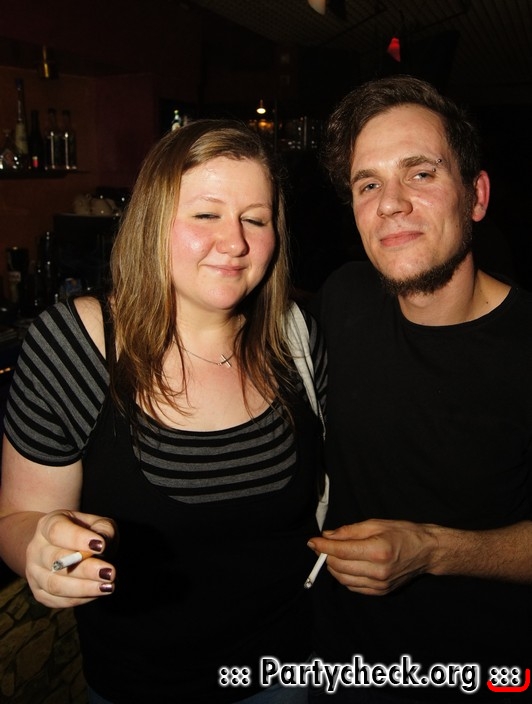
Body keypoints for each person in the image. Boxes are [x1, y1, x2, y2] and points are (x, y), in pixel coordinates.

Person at [0, 119, 326, 704]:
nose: (235, 242)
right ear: (153, 221)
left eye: (255, 219)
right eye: (206, 214)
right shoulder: (76, 345)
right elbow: (18, 518)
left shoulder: (296, 338)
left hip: (286, 671)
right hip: (140, 688)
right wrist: (41, 547)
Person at [307, 76, 532, 702]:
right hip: (338, 666)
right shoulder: (343, 299)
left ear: (476, 195)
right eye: (368, 184)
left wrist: (431, 550)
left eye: (421, 174)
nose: (391, 204)